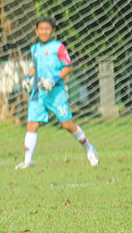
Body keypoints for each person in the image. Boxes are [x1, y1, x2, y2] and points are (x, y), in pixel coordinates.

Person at [16, 17, 98, 169]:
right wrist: (28, 77)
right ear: (36, 31)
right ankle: (28, 161)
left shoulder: (58, 47)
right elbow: (36, 66)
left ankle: (89, 147)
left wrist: (53, 81)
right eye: (41, 29)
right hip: (39, 92)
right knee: (32, 124)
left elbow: (68, 67)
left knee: (66, 124)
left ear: (53, 31)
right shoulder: (34, 49)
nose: (44, 32)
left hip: (56, 93)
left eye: (47, 29)